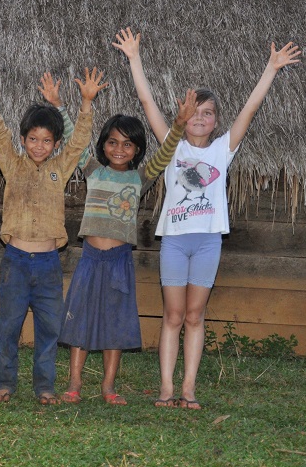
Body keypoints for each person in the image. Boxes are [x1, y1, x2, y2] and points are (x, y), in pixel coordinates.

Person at [113, 27, 301, 409]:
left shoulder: (222, 150)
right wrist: (134, 59)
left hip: (208, 242)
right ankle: (166, 389)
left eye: (208, 113)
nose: (200, 118)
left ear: (216, 121)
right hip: (175, 241)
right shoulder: (173, 146)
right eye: (194, 112)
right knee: (173, 315)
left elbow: (250, 108)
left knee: (195, 316)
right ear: (183, 118)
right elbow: (147, 103)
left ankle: (188, 388)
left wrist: (271, 68)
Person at [40, 83, 196, 405]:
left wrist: (179, 124)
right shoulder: (93, 170)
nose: (119, 149)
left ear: (137, 149)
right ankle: (74, 384)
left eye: (127, 144)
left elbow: (166, 153)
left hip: (120, 260)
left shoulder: (140, 178)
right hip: (90, 258)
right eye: (112, 142)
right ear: (104, 146)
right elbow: (75, 139)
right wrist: (59, 104)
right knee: (80, 320)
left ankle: (109, 386)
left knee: (115, 323)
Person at [0, 58, 105, 404]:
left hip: (48, 265)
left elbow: (80, 143)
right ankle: (4, 383)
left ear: (55, 144)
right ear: (24, 139)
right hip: (15, 261)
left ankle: (45, 386)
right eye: (33, 139)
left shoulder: (60, 168)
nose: (39, 146)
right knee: (9, 326)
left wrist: (86, 101)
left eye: (47, 141)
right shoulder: (13, 166)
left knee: (50, 328)